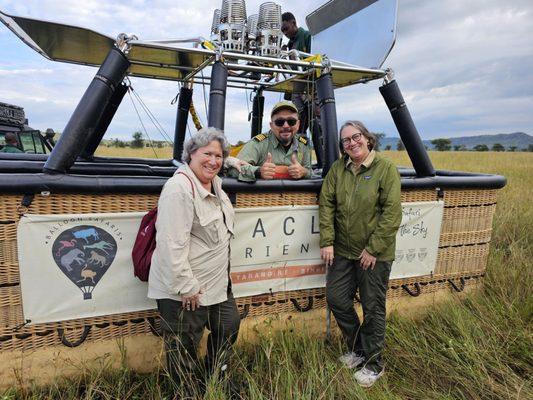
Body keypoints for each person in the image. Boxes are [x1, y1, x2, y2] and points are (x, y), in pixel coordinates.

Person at [147, 128, 240, 393]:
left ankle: (215, 380)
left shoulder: (215, 182)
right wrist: (185, 285)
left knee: (228, 327)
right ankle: (184, 392)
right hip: (187, 289)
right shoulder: (179, 188)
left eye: (219, 155)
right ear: (191, 154)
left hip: (217, 284)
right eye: (207, 154)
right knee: (183, 346)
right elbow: (170, 244)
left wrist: (233, 161)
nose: (214, 160)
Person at [319, 121, 402, 388]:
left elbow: (392, 213)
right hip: (343, 250)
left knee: (373, 307)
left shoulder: (385, 169)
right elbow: (327, 202)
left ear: (367, 138)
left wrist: (374, 248)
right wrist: (327, 240)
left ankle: (375, 363)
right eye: (345, 141)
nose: (351, 143)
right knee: (336, 298)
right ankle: (358, 349)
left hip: (373, 255)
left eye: (356, 137)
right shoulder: (338, 169)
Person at [232, 101, 312, 182]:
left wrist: (303, 172)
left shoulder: (303, 145)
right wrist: (258, 172)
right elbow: (233, 169)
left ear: (298, 124)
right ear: (271, 125)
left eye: (291, 121)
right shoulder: (258, 144)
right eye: (279, 122)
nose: (286, 126)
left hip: (295, 194)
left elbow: (310, 171)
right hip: (263, 194)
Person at [281, 12, 314, 135]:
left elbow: (314, 59)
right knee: (298, 124)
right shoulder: (289, 44)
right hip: (297, 86)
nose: (285, 33)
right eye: (282, 31)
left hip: (309, 85)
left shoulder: (306, 36)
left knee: (315, 123)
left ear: (293, 23)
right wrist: (283, 58)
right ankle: (300, 152)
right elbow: (289, 69)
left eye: (286, 29)